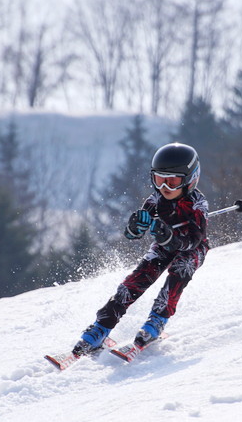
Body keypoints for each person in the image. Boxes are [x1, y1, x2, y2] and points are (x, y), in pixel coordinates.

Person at [72, 142, 209, 356]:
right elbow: (132, 235)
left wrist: (170, 237)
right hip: (164, 246)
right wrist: (135, 227)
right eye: (159, 179)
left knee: (179, 271)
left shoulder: (198, 205)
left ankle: (157, 319)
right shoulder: (155, 200)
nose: (166, 187)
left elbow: (193, 240)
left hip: (192, 249)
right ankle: (102, 325)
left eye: (173, 182)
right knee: (137, 279)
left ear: (190, 179)